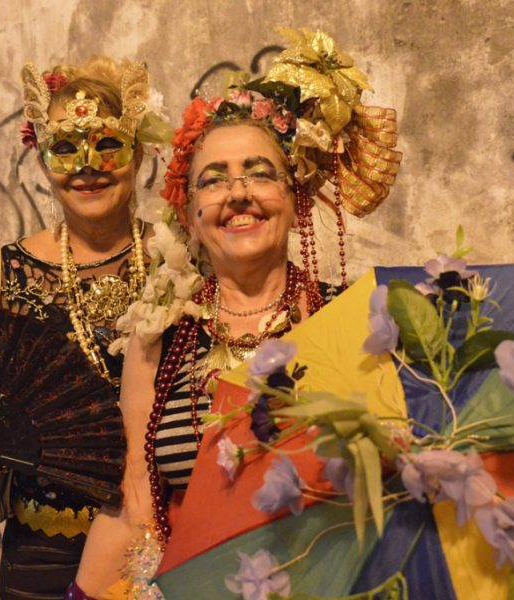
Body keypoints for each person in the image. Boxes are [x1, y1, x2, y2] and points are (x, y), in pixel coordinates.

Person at [72, 28, 401, 599]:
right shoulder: (158, 339)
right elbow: (135, 503)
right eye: (213, 180)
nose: (238, 193)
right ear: (190, 216)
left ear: (295, 200)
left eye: (260, 172)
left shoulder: (349, 318)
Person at [0, 56, 171, 599]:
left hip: (172, 541)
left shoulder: (183, 260)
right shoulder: (0, 275)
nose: (87, 166)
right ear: (42, 159)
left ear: (139, 152)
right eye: (66, 148)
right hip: (44, 555)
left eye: (107, 144)